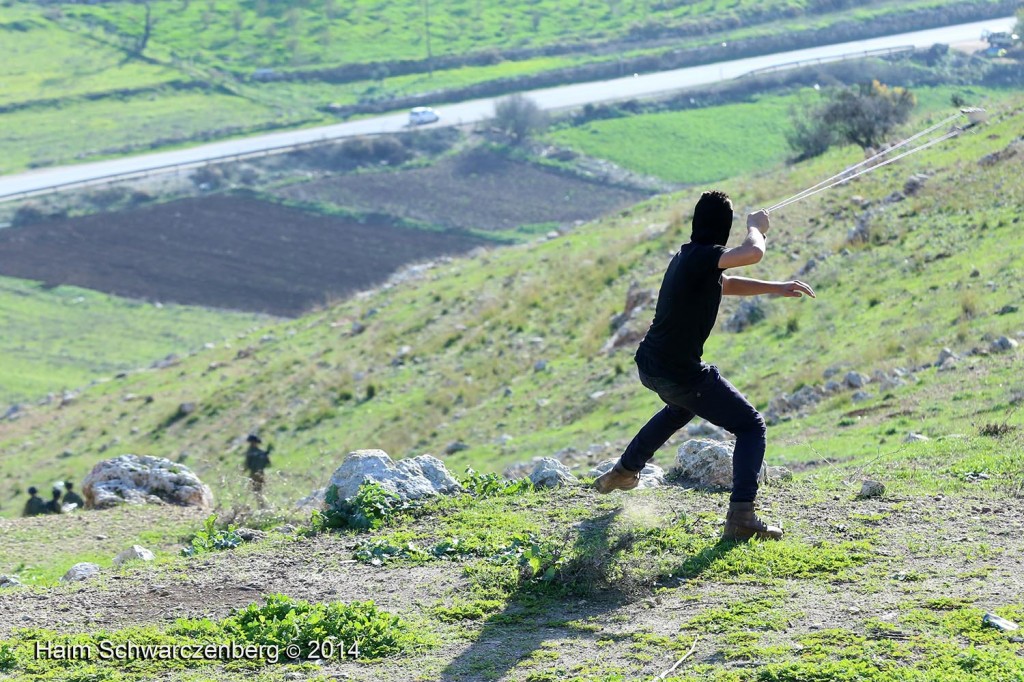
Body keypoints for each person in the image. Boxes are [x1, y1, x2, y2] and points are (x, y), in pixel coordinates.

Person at [594, 190, 815, 541]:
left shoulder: (688, 256)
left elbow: (723, 284)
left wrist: (777, 287)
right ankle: (741, 517)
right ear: (724, 230)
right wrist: (757, 227)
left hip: (651, 363)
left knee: (680, 408)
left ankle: (625, 470)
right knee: (751, 426)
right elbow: (753, 253)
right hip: (678, 370)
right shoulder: (704, 256)